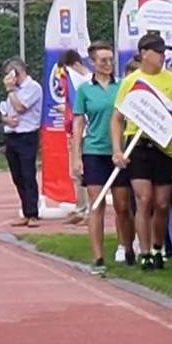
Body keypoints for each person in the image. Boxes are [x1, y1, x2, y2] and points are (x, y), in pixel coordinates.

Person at [110, 35, 172, 268]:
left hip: (163, 147)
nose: (162, 56)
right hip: (138, 145)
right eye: (158, 52)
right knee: (144, 199)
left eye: (163, 52)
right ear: (144, 53)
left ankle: (159, 246)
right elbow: (117, 118)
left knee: (162, 203)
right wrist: (118, 150)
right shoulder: (131, 81)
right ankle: (146, 251)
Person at [72, 43, 128, 271]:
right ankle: (98, 257)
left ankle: (126, 247)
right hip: (94, 151)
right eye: (103, 60)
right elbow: (78, 123)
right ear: (93, 63)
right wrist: (76, 156)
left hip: (120, 152)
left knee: (123, 205)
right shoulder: (85, 90)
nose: (108, 64)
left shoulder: (122, 86)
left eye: (111, 60)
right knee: (97, 204)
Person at [0, 58, 43, 227]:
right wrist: (5, 119)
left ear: (15, 73)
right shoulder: (13, 90)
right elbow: (5, 110)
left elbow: (20, 108)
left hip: (27, 136)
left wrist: (11, 90)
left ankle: (33, 214)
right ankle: (26, 211)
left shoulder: (32, 88)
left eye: (8, 75)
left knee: (27, 174)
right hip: (12, 136)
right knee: (17, 176)